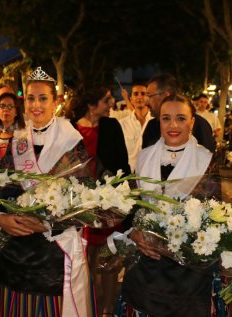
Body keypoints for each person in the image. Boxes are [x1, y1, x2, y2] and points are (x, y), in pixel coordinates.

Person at [0, 67, 92, 317]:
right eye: (30, 98)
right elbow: (0, 189)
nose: (36, 105)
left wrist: (46, 224)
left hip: (52, 257)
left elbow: (84, 202)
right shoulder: (18, 139)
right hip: (12, 252)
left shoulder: (71, 142)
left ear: (56, 102)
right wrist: (0, 218)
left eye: (43, 98)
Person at [122, 94, 214, 316]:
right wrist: (134, 233)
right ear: (159, 122)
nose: (173, 125)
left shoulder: (208, 160)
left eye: (181, 118)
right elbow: (132, 206)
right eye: (166, 118)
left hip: (189, 273)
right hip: (146, 264)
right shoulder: (143, 158)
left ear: (192, 122)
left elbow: (214, 218)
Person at [67, 85, 131, 315]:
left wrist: (122, 197)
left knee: (110, 261)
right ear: (91, 106)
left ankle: (109, 310)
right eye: (106, 100)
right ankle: (90, 307)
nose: (112, 102)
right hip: (80, 206)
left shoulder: (112, 126)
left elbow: (122, 165)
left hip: (109, 204)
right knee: (85, 263)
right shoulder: (71, 130)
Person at [142, 73, 216, 153]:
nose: (146, 102)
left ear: (167, 95)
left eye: (149, 96)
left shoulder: (199, 125)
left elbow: (207, 160)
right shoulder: (151, 127)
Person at [119, 82, 153, 172]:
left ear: (149, 98)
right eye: (135, 94)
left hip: (152, 174)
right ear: (130, 99)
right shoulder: (122, 124)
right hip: (129, 175)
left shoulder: (157, 123)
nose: (139, 97)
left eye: (143, 94)